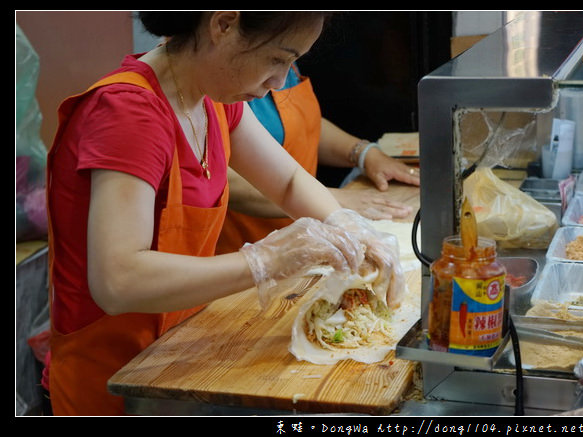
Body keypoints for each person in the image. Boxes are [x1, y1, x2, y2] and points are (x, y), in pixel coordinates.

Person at [44, 11, 404, 416]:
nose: (279, 82)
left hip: (179, 354)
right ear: (224, 24)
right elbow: (117, 280)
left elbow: (287, 181)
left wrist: (348, 226)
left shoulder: (211, 99)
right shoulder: (129, 113)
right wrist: (267, 260)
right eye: (276, 59)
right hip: (115, 380)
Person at [216, 61, 420, 255]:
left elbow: (301, 126)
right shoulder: (220, 95)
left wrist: (363, 152)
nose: (279, 81)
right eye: (277, 59)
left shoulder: (282, 64)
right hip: (240, 250)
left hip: (302, 241)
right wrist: (331, 201)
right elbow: (223, 180)